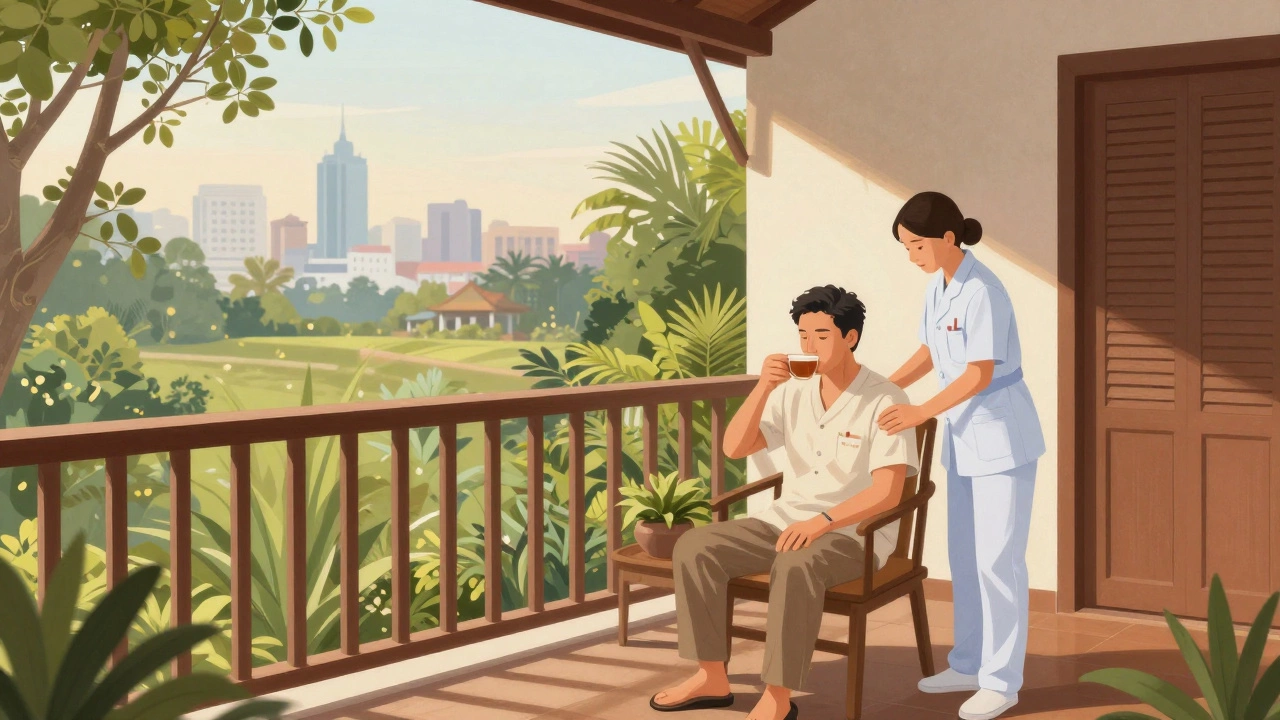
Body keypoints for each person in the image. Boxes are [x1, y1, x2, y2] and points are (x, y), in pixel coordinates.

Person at [650, 285, 919, 720]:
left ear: (850, 337)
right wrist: (762, 388)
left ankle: (777, 694)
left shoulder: (885, 398)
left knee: (795, 563)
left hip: (853, 533)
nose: (808, 345)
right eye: (802, 334)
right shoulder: (793, 391)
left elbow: (887, 492)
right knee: (696, 546)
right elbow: (735, 448)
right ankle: (711, 676)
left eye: (821, 335)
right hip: (784, 520)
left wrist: (822, 522)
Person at [876, 192, 1045, 720]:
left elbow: (979, 373)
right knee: (968, 557)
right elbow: (929, 351)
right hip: (963, 437)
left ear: (948, 238)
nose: (912, 256)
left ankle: (1001, 680)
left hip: (1001, 435)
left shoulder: (984, 291)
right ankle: (969, 662)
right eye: (906, 247)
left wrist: (921, 410)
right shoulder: (938, 287)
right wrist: (882, 386)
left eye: (917, 245)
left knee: (999, 561)